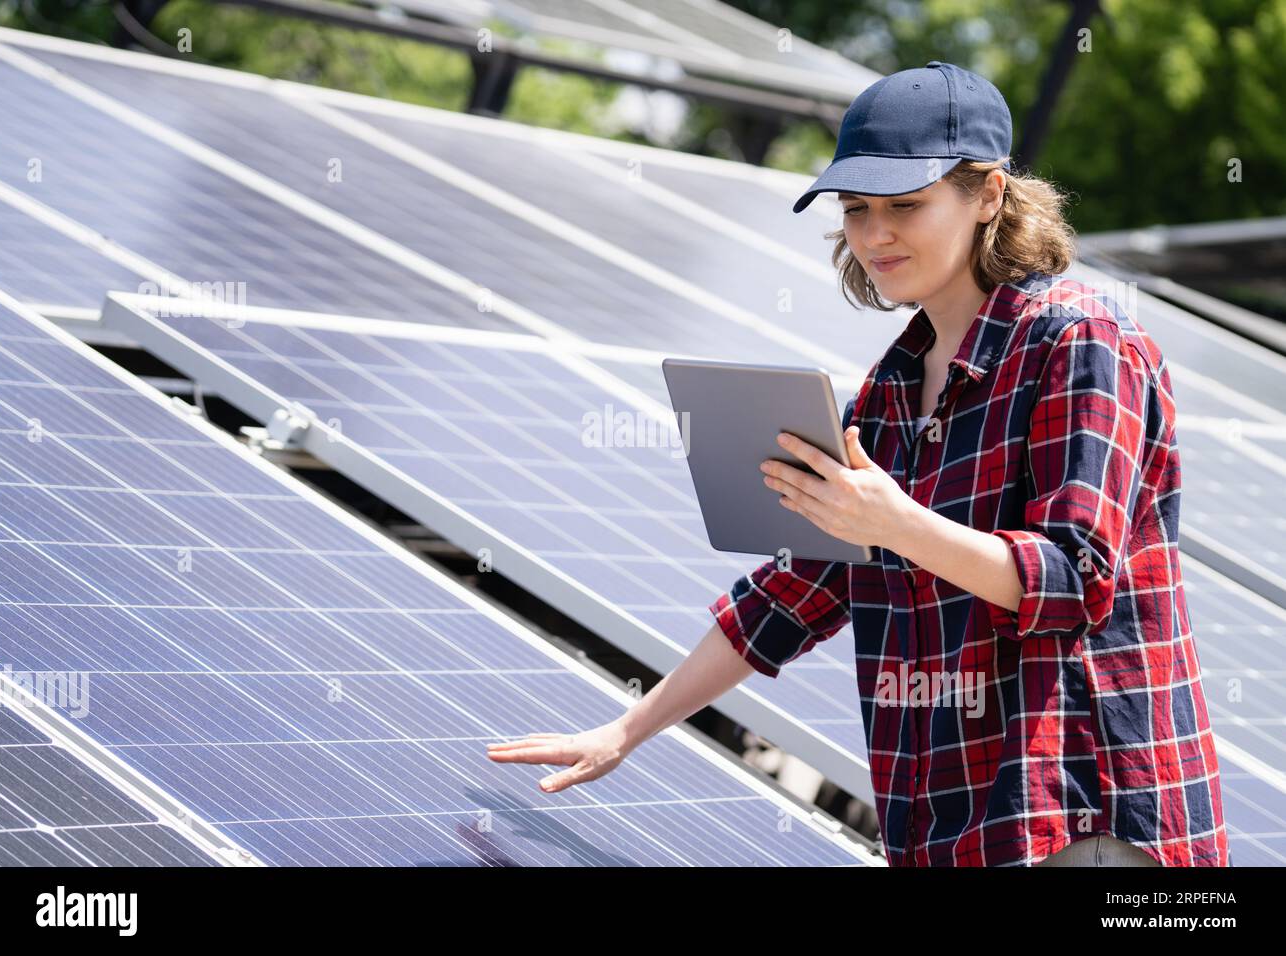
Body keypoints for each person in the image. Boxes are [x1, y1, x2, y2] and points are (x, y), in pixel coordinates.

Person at [486, 61, 1229, 868]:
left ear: (989, 196)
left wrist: (894, 523)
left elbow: (1074, 580)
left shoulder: (1079, 342)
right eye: (856, 209)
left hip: (1083, 818)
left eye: (906, 206)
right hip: (951, 827)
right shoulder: (887, 392)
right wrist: (623, 732)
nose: (875, 235)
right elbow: (795, 593)